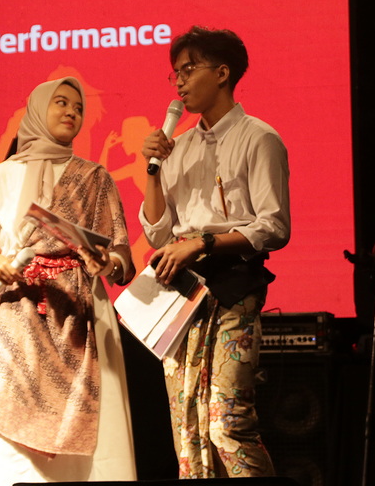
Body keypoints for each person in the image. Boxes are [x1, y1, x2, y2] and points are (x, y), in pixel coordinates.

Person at [0, 77, 137, 485]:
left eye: (78, 107)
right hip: (20, 310)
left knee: (92, 423)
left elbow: (122, 257)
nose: (72, 112)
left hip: (81, 312)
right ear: (39, 108)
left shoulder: (95, 177)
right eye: (61, 102)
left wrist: (105, 262)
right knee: (4, 416)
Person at [139, 26, 290, 479]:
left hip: (232, 284)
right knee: (187, 433)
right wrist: (152, 170)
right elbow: (158, 232)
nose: (180, 82)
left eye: (189, 69)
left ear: (222, 73)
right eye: (175, 74)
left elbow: (274, 226)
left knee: (227, 424)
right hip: (181, 293)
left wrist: (203, 243)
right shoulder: (179, 147)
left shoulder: (258, 138)